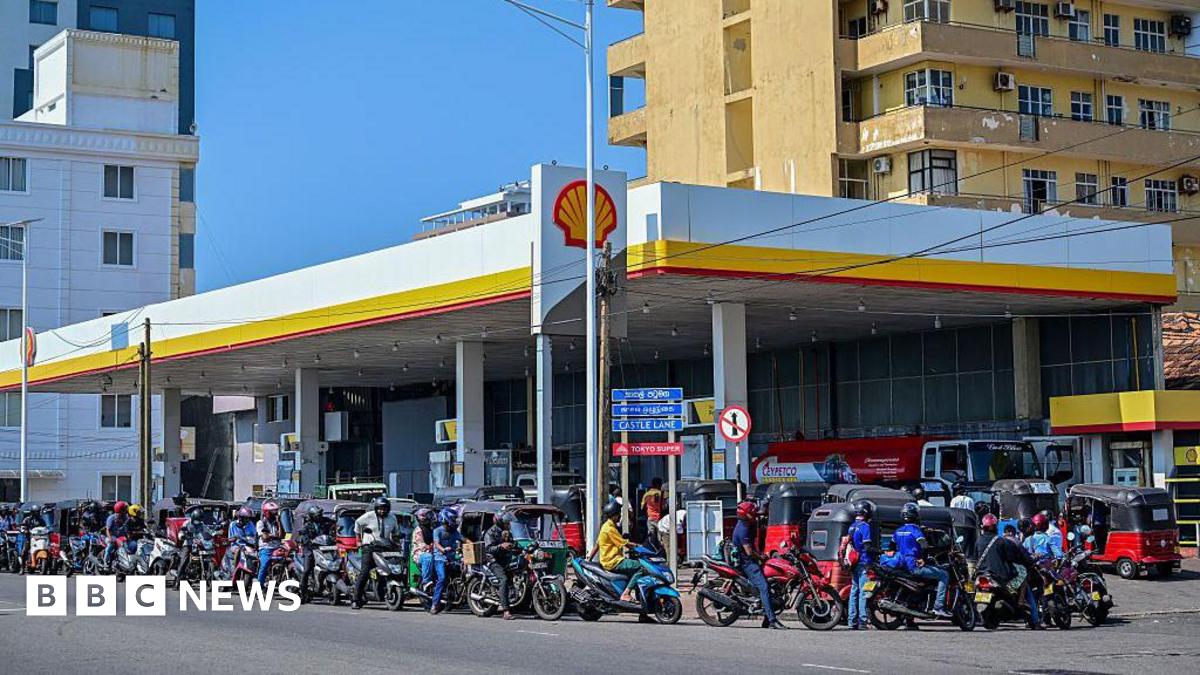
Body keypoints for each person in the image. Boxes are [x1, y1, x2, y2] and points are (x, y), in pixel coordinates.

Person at [890, 503, 952, 620]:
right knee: (944, 575)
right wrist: (922, 559)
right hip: (913, 566)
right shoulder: (915, 530)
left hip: (901, 566)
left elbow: (891, 547)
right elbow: (924, 546)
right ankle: (938, 607)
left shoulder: (898, 531)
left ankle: (910, 619)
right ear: (916, 516)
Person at [977, 517, 1042, 629]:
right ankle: (1033, 619)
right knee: (1025, 578)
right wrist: (1030, 561)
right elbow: (1016, 558)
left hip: (982, 574)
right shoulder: (1003, 541)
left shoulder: (978, 541)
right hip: (1000, 576)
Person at [732, 500, 786, 629]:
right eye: (752, 513)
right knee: (764, 587)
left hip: (751, 560)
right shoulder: (742, 530)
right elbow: (749, 552)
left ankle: (767, 619)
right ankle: (772, 620)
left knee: (773, 584)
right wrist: (761, 557)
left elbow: (762, 513)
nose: (755, 515)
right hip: (747, 563)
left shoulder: (746, 523)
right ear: (746, 515)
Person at [352, 497, 401, 609]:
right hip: (370, 547)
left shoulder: (392, 518)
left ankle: (383, 591)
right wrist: (358, 540)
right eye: (380, 509)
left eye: (384, 509)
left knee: (390, 568)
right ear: (376, 509)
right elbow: (357, 523)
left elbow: (395, 533)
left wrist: (397, 544)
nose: (382, 511)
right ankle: (356, 599)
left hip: (385, 547)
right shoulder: (369, 516)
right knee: (364, 572)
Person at [847, 500, 876, 630]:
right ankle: (862, 620)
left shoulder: (852, 526)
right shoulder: (865, 526)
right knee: (864, 591)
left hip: (853, 562)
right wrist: (880, 552)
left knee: (854, 590)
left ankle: (851, 620)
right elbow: (867, 547)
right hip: (864, 561)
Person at [483, 512, 519, 620]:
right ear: (499, 522)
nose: (508, 525)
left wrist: (517, 546)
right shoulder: (490, 532)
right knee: (503, 580)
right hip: (493, 561)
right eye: (506, 523)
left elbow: (513, 544)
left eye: (508, 523)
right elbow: (488, 548)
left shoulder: (507, 533)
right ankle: (506, 611)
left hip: (505, 560)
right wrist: (501, 546)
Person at [430, 507, 463, 614]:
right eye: (452, 519)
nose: (454, 522)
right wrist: (443, 550)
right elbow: (436, 544)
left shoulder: (454, 532)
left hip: (453, 558)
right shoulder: (437, 530)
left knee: (461, 575)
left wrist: (473, 544)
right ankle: (435, 604)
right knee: (442, 578)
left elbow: (463, 539)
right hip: (440, 558)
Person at [293, 504, 328, 601]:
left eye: (320, 514)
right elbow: (302, 534)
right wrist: (307, 540)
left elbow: (335, 524)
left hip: (323, 549)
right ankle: (303, 592)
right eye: (317, 515)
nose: (319, 517)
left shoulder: (325, 522)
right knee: (307, 569)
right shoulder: (307, 526)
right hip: (310, 549)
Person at [174, 509, 209, 580]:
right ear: (193, 517)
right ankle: (177, 581)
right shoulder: (187, 523)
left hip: (199, 544)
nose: (198, 522)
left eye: (199, 520)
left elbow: (207, 532)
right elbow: (181, 532)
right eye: (196, 520)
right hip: (188, 543)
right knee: (184, 559)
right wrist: (182, 536)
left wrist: (212, 535)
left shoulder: (202, 525)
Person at [256, 500, 284, 584]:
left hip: (277, 547)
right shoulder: (261, 523)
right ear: (267, 512)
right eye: (273, 512)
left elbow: (282, 535)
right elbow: (265, 538)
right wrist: (275, 536)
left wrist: (279, 522)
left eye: (275, 512)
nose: (275, 514)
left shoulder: (277, 523)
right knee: (264, 565)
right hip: (266, 549)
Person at [225, 506, 258, 578]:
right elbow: (230, 539)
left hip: (247, 545)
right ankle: (234, 568)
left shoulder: (250, 524)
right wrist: (234, 539)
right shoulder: (233, 524)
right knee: (238, 551)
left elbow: (255, 535)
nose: (247, 520)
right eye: (246, 518)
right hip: (236, 546)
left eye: (248, 518)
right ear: (240, 517)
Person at [411, 507, 436, 598]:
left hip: (432, 552)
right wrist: (435, 546)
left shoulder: (432, 529)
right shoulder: (418, 530)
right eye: (427, 516)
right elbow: (423, 546)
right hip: (419, 554)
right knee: (428, 557)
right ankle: (426, 582)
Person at [102, 501, 130, 569]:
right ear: (120, 509)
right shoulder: (111, 518)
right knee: (110, 546)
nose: (126, 510)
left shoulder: (125, 517)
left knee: (127, 547)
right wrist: (110, 538)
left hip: (121, 537)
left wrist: (128, 537)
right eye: (124, 509)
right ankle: (105, 562)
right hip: (112, 536)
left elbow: (126, 528)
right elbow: (107, 530)